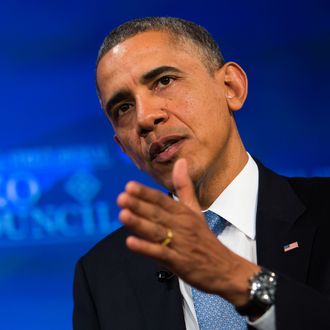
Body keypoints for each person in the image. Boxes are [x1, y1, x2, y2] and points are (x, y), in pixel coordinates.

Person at [73, 17, 330, 330]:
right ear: (124, 149)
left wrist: (239, 280)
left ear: (230, 87)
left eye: (163, 81)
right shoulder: (102, 274)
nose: (144, 117)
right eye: (123, 108)